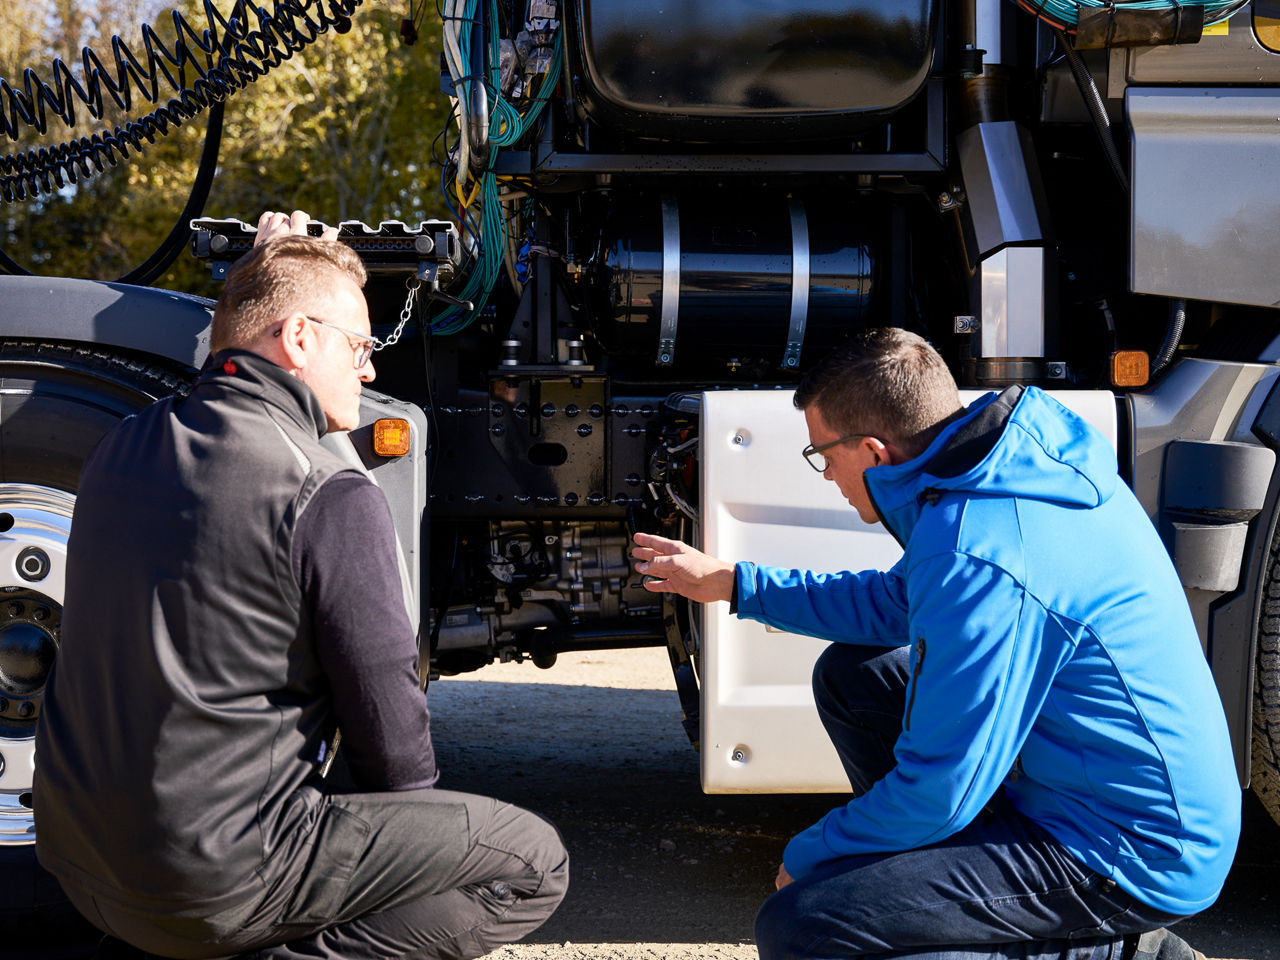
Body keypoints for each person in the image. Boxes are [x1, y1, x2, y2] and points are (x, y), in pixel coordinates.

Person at [34, 210, 568, 960]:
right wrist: (412, 848)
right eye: (359, 345)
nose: (370, 369)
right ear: (299, 339)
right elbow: (389, 731)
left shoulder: (122, 445)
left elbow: (230, 364)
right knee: (529, 861)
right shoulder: (323, 489)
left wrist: (266, 270)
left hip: (80, 870)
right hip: (209, 885)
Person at [632, 327, 1240, 960]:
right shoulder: (1007, 471)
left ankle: (1129, 952)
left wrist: (811, 853)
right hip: (1086, 794)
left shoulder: (980, 548)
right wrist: (733, 583)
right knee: (856, 677)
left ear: (872, 451)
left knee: (808, 924)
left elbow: (942, 789)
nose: (827, 477)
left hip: (1130, 849)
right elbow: (896, 603)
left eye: (824, 458)